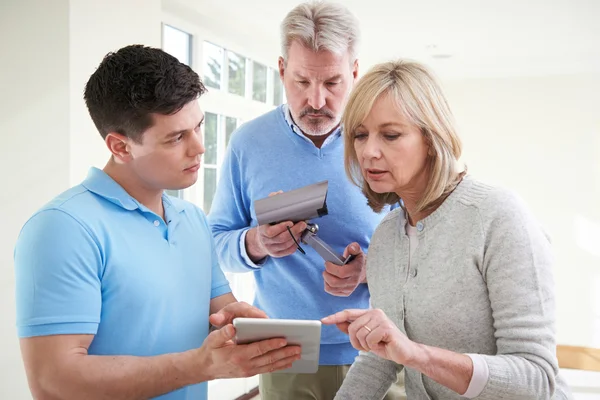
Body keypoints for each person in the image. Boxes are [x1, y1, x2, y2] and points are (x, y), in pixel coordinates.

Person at [13, 45, 302, 400]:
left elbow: (220, 315)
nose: (199, 148)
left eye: (198, 127)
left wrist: (248, 328)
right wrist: (201, 365)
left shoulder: (193, 220)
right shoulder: (63, 229)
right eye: (176, 137)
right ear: (120, 147)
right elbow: (54, 382)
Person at [321, 59, 573, 399]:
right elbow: (379, 360)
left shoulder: (498, 216)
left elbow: (535, 379)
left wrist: (416, 354)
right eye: (360, 135)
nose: (368, 151)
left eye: (391, 135)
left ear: (431, 137)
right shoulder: (385, 238)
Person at [208, 2, 404, 399]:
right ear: (281, 70)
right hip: (284, 353)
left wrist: (369, 270)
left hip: (378, 347)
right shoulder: (248, 143)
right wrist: (257, 244)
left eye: (332, 83)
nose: (316, 101)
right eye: (301, 82)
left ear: (354, 72)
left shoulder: (384, 141)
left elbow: (422, 247)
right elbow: (216, 244)